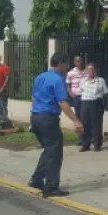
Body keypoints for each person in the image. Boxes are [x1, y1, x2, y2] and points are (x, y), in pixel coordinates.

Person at [29, 53, 83, 197]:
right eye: (66, 64)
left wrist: (35, 115)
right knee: (55, 153)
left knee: (48, 150)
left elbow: (33, 97)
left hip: (36, 116)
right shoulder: (58, 79)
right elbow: (62, 102)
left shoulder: (40, 77)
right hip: (48, 118)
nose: (68, 67)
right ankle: (51, 187)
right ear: (60, 63)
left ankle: (36, 179)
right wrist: (76, 121)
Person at [78, 62, 108, 152]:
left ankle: (97, 145)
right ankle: (85, 144)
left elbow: (105, 93)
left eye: (92, 69)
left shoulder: (100, 80)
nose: (90, 71)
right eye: (88, 69)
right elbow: (80, 91)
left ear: (96, 70)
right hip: (85, 103)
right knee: (85, 123)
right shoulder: (83, 81)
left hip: (96, 103)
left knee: (96, 124)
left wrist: (102, 104)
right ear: (86, 71)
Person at [65, 55, 88, 145]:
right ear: (74, 62)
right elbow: (68, 86)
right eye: (77, 61)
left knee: (86, 117)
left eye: (80, 60)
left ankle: (87, 137)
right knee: (78, 118)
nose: (79, 62)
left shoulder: (86, 72)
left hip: (86, 97)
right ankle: (81, 139)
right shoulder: (70, 73)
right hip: (77, 98)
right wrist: (71, 94)